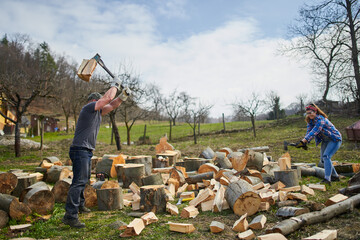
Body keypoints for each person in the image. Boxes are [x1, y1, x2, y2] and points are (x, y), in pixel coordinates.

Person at [62, 79, 130, 228]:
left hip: (84, 150)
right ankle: (70, 216)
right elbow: (107, 99)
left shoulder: (98, 112)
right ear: (94, 100)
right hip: (80, 149)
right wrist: (114, 85)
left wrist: (123, 96)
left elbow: (112, 104)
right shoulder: (89, 107)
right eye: (99, 101)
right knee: (79, 181)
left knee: (83, 179)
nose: (103, 104)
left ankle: (79, 206)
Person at [295, 103, 342, 185]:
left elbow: (315, 131)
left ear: (315, 112)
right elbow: (309, 132)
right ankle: (335, 176)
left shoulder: (321, 119)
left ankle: (327, 179)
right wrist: (305, 143)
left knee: (326, 156)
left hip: (334, 139)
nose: (309, 115)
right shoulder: (310, 121)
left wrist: (304, 141)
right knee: (323, 159)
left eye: (311, 113)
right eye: (308, 113)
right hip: (326, 140)